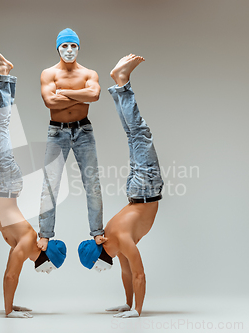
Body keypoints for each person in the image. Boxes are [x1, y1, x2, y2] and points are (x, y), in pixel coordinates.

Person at [78, 54, 164, 318]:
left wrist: (138, 311)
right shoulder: (113, 241)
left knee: (139, 132)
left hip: (146, 190)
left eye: (106, 258)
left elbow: (139, 274)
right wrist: (127, 304)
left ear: (103, 246)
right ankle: (119, 84)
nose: (111, 259)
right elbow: (127, 271)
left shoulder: (121, 240)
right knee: (134, 134)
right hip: (138, 192)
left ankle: (122, 82)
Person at [0, 43, 67, 318]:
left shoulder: (25, 243)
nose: (42, 264)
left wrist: (12, 305)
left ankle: (5, 76)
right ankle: (3, 74)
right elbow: (11, 275)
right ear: (43, 248)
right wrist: (9, 312)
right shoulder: (28, 242)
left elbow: (12, 276)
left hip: (0, 185)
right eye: (45, 260)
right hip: (4, 183)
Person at [38, 28, 106, 251]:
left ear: (78, 47)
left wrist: (64, 93)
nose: (69, 50)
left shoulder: (89, 73)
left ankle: (97, 232)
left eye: (73, 45)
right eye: (65, 46)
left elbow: (94, 95)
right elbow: (50, 101)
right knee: (50, 185)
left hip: (83, 131)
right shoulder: (48, 73)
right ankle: (45, 234)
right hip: (57, 133)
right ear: (58, 48)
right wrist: (79, 95)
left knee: (92, 184)